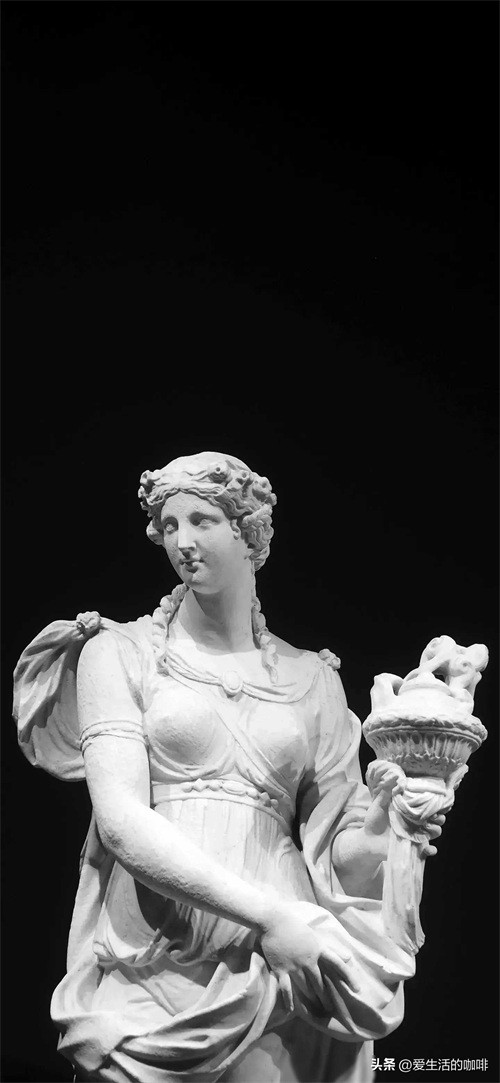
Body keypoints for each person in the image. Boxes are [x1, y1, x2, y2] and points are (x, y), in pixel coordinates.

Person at [13, 451, 443, 1083]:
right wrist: (267, 915)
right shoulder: (120, 651)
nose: (181, 541)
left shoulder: (313, 679)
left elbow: (337, 854)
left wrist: (391, 818)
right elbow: (121, 819)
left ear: (249, 532)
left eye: (202, 520)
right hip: (160, 946)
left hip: (284, 962)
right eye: (169, 525)